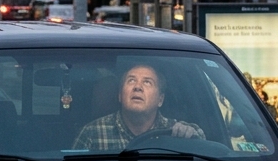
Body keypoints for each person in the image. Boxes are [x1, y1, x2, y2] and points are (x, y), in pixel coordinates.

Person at [73, 64, 203, 151]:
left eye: (147, 82)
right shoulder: (92, 133)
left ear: (160, 99)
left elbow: (205, 154)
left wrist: (190, 134)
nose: (137, 87)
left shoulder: (175, 132)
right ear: (120, 95)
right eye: (131, 80)